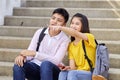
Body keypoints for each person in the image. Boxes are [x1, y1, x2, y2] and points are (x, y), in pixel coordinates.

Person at [13, 8, 70, 80]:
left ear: (64, 25)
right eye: (53, 18)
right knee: (18, 65)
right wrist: (23, 57)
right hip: (35, 67)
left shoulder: (65, 39)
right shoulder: (40, 32)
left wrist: (35, 54)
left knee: (45, 64)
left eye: (59, 20)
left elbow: (56, 61)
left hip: (52, 71)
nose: (54, 22)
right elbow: (30, 51)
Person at [51, 13, 96, 80]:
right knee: (63, 73)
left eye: (77, 24)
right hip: (77, 73)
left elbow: (74, 33)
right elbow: (73, 68)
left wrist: (60, 27)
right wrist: (67, 68)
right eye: (72, 23)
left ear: (83, 26)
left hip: (90, 73)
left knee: (73, 73)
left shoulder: (89, 37)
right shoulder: (71, 45)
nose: (73, 26)